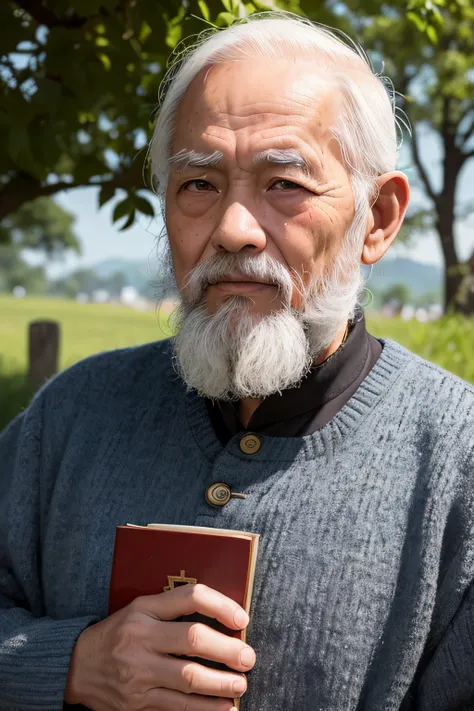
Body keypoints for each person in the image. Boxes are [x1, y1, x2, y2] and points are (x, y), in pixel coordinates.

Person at [1, 12, 474, 711]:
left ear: (377, 218)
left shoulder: (457, 457)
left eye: (284, 183)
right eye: (199, 184)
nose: (231, 228)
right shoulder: (73, 415)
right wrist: (70, 662)